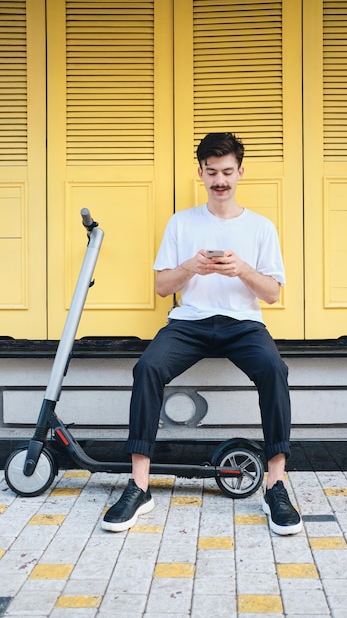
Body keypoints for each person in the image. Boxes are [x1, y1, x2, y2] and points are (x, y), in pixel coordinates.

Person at [102, 132, 302, 536]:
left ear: (240, 171)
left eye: (228, 172)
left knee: (274, 370)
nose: (220, 180)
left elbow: (274, 293)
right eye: (212, 172)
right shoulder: (182, 222)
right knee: (147, 368)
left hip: (243, 324)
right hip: (189, 322)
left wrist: (241, 269)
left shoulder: (261, 227)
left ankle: (276, 484)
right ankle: (139, 486)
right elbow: (162, 287)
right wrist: (192, 267)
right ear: (201, 173)